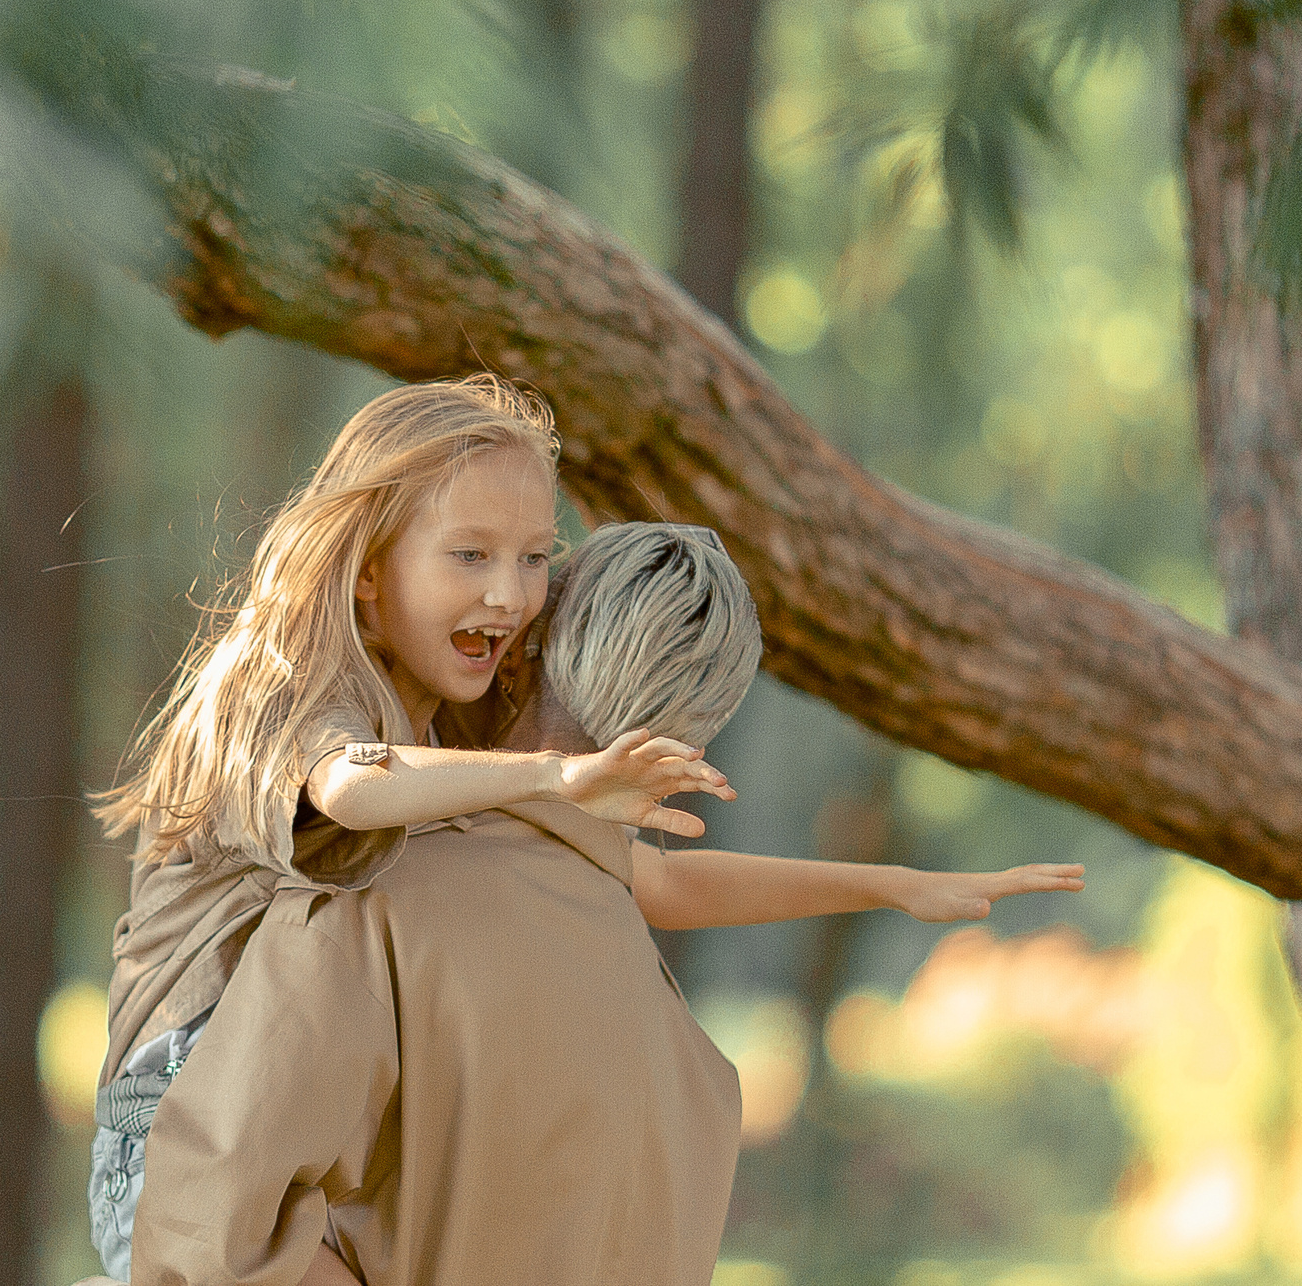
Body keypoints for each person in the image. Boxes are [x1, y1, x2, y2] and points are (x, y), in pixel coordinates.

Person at [116, 516, 1085, 1286]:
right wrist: (887, 886)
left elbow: (200, 1233)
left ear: (525, 649)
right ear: (687, 748)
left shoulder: (373, 896)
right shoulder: (697, 1086)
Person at [85, 377, 734, 1284]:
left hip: (279, 1095)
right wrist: (558, 773)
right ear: (367, 567)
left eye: (536, 557)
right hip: (174, 1125)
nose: (509, 595)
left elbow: (653, 881)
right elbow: (349, 785)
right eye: (470, 555)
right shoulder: (287, 686)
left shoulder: (435, 725)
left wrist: (886, 884)